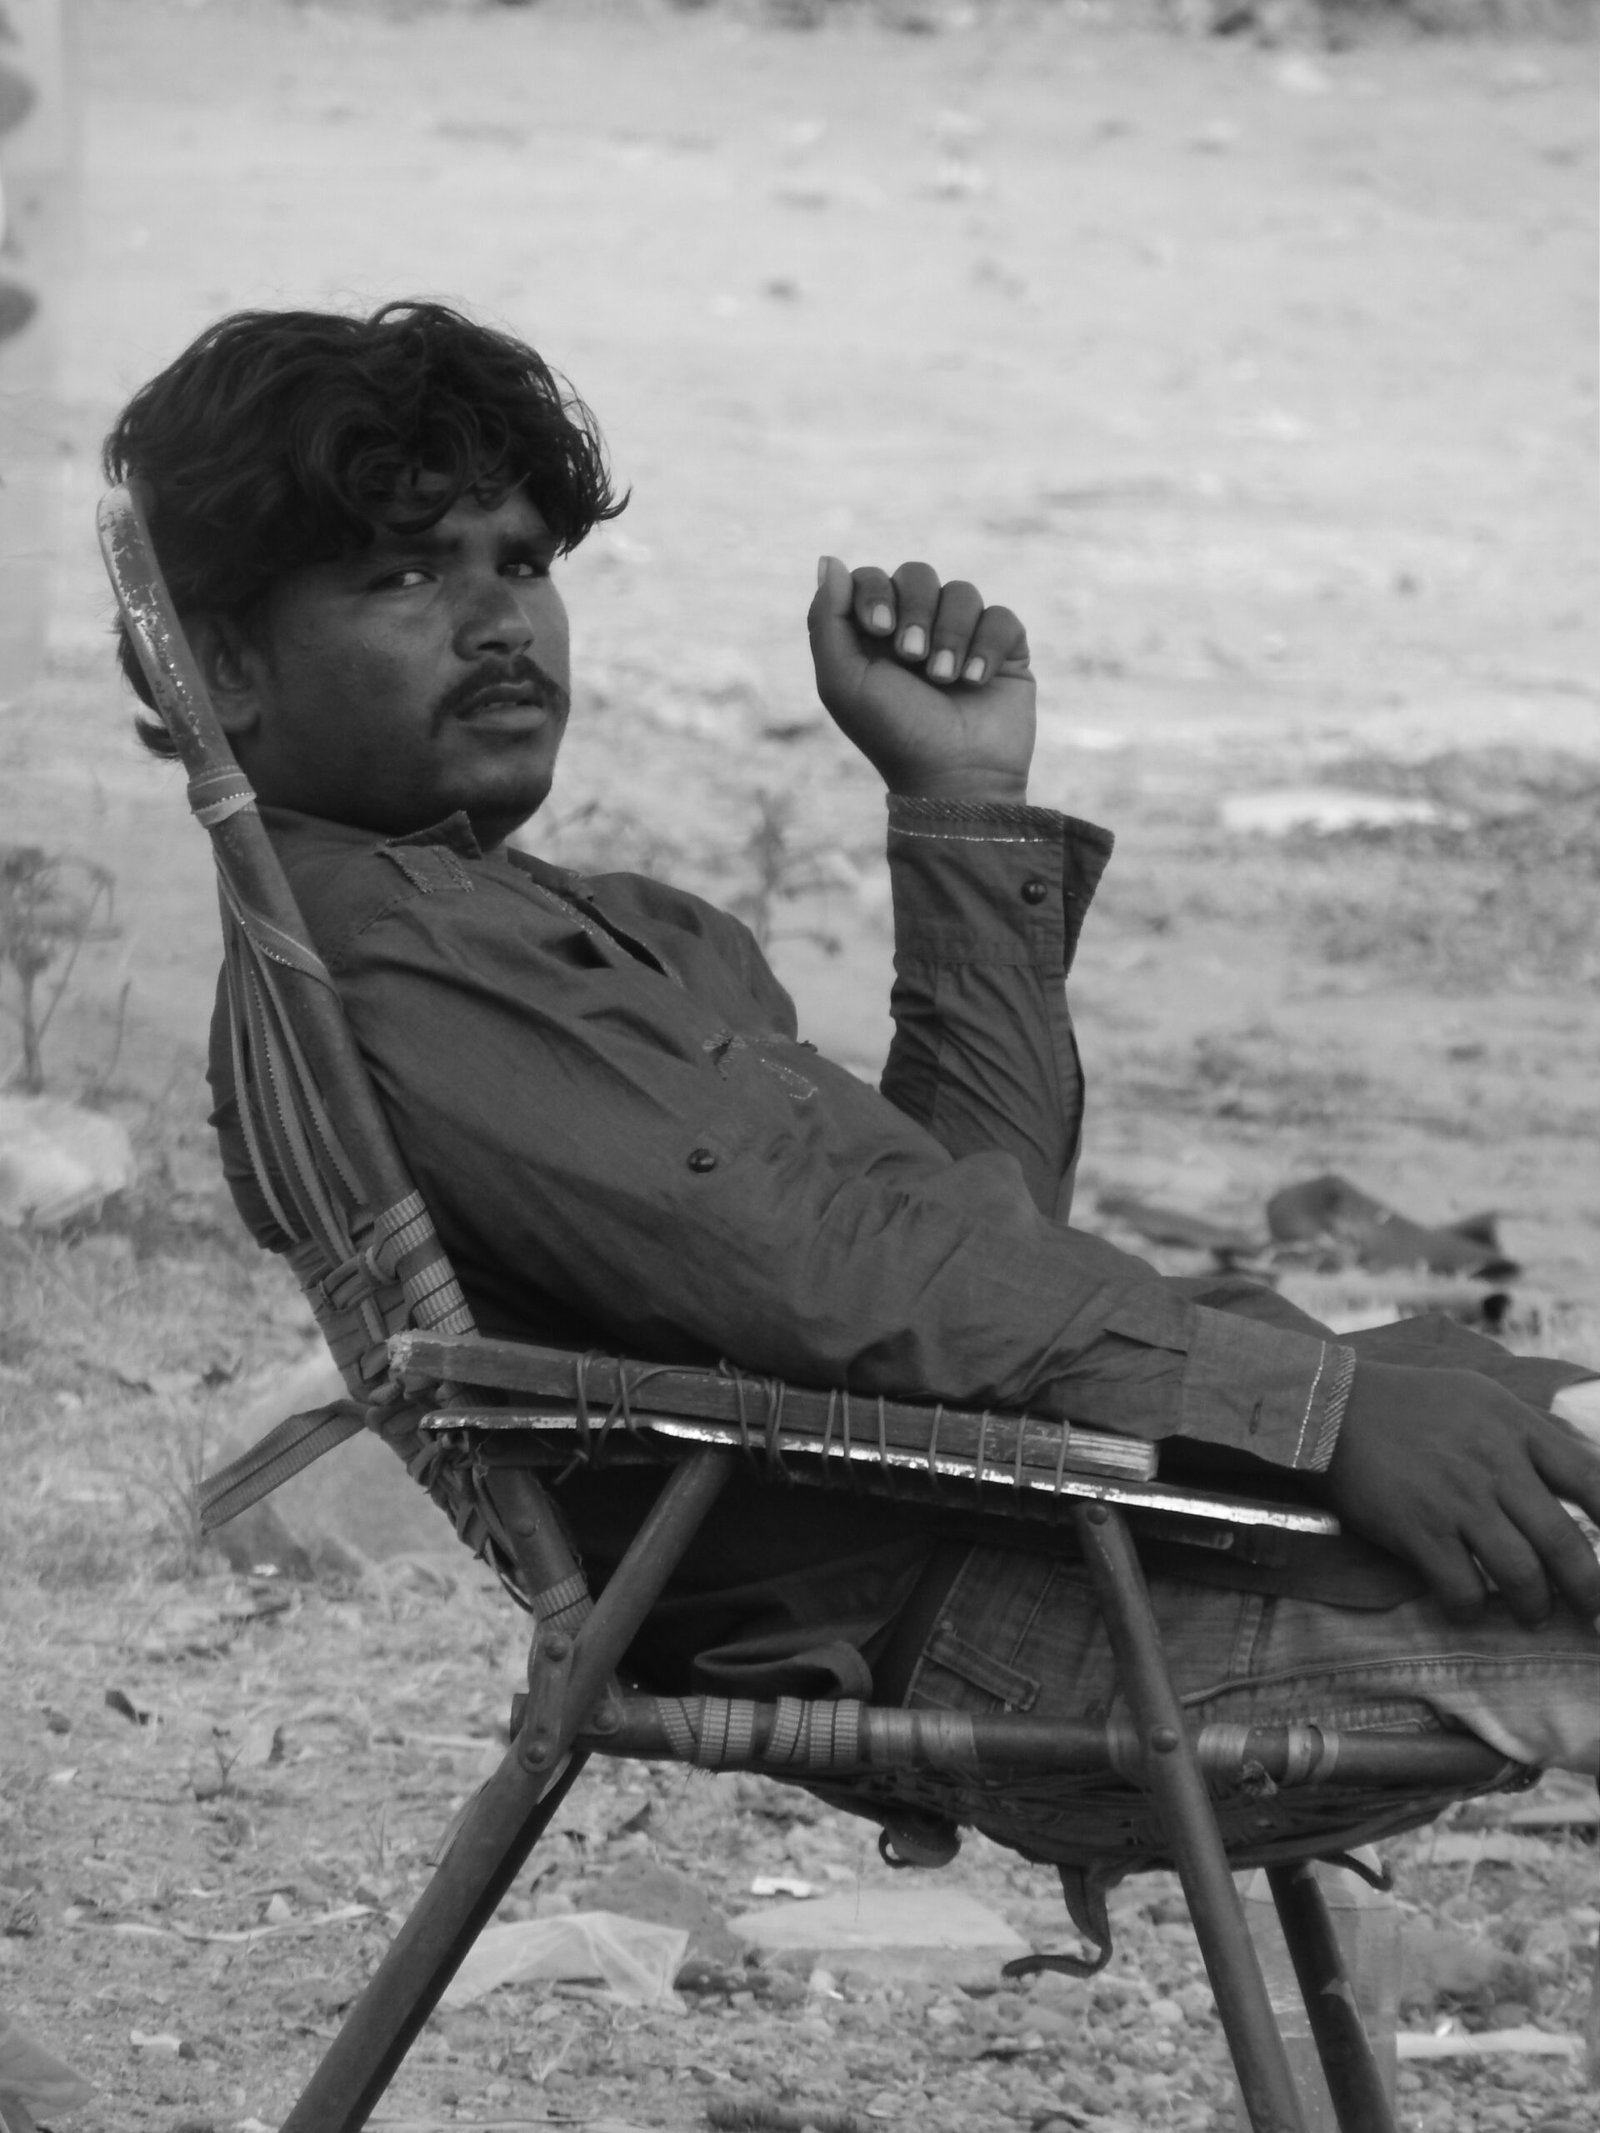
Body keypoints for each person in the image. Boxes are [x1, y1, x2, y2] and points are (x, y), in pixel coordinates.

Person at [104, 301, 1600, 1800]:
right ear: (225, 668)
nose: (499, 620)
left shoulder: (566, 928)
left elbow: (958, 1237)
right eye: (409, 571)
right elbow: (842, 1274)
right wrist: (1316, 1410)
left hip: (1092, 1530)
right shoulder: (399, 964)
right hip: (1047, 1607)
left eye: (526, 560)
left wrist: (958, 801)